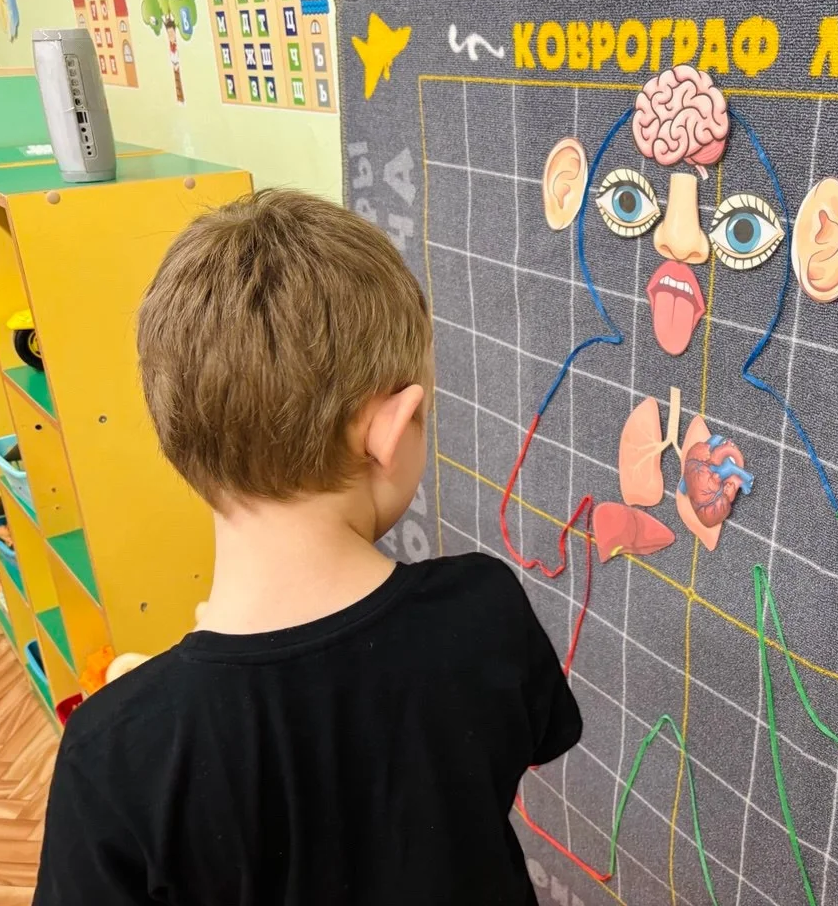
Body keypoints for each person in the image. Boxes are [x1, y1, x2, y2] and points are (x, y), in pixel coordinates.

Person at [32, 189, 582, 906]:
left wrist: (149, 716)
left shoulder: (112, 754)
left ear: (177, 436)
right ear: (391, 429)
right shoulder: (485, 609)